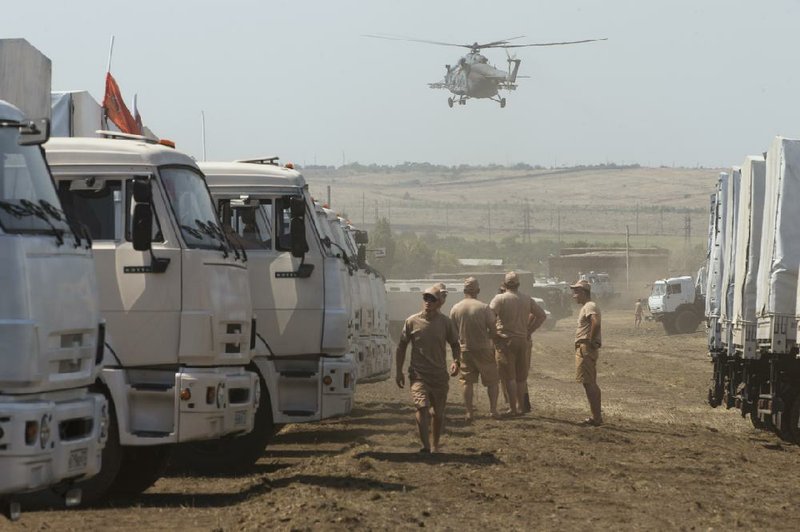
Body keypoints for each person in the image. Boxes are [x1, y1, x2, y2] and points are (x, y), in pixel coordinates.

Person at [395, 284, 461, 453]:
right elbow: (401, 346)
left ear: (439, 302)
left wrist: (456, 361)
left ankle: (435, 445)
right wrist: (398, 371)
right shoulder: (412, 321)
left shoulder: (445, 322)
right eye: (426, 298)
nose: (428, 302)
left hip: (439, 375)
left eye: (432, 299)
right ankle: (425, 445)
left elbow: (455, 344)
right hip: (418, 374)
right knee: (421, 407)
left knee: (438, 413)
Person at [489, 271, 545, 416]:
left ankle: (512, 408)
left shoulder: (500, 298)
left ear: (505, 284)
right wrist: (528, 331)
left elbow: (488, 317)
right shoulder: (526, 298)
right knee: (521, 378)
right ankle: (520, 407)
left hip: (506, 340)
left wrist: (494, 334)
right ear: (518, 284)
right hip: (522, 341)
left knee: (509, 377)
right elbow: (541, 315)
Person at [449, 277, 500, 421]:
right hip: (484, 349)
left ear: (464, 290)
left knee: (467, 381)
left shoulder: (455, 308)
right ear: (478, 290)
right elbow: (493, 330)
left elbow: (453, 334)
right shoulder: (484, 307)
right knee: (492, 381)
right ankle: (493, 410)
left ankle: (469, 412)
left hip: (465, 349)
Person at [570, 279, 603, 426]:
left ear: (583, 292)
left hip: (585, 348)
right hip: (585, 347)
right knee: (588, 382)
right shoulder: (588, 306)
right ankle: (596, 417)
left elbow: (595, 322)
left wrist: (590, 341)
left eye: (576, 292)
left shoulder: (590, 306)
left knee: (589, 383)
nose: (574, 295)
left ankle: (596, 418)